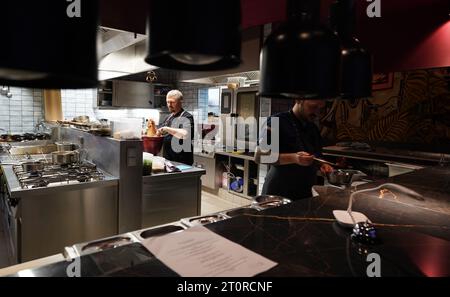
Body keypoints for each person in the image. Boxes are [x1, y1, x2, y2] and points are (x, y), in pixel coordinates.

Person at [259, 99, 333, 200]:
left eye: (320, 109)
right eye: (314, 107)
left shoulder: (313, 128)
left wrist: (322, 165)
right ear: (299, 100)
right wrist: (294, 158)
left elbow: (316, 155)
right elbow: (261, 156)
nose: (317, 113)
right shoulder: (276, 121)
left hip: (306, 191)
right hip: (279, 191)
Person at [156, 90, 194, 165]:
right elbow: (159, 133)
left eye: (172, 102)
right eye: (167, 102)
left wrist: (167, 129)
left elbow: (186, 135)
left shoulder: (187, 117)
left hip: (182, 162)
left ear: (180, 102)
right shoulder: (168, 118)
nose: (169, 105)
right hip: (168, 160)